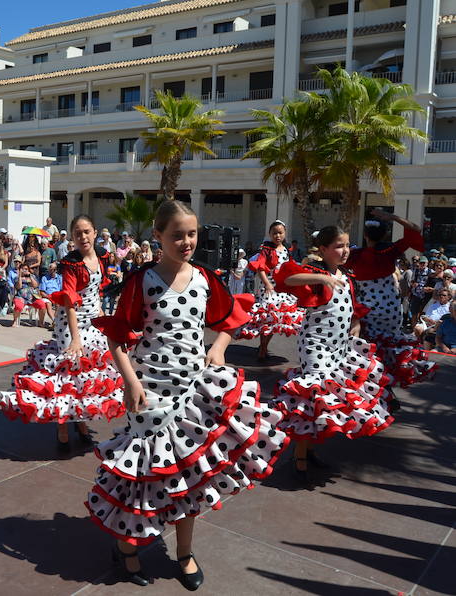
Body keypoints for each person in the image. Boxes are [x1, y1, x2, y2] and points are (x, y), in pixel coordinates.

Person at [87, 200, 286, 589]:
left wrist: (220, 346)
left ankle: (184, 551)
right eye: (176, 234)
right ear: (158, 236)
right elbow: (117, 337)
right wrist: (130, 382)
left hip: (193, 389)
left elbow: (231, 318)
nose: (186, 241)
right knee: (145, 473)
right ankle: (125, 546)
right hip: (149, 392)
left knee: (191, 472)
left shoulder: (205, 279)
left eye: (191, 233)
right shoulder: (142, 280)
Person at [272, 225, 395, 480]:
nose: (345, 250)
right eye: (339, 246)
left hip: (338, 347)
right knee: (313, 398)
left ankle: (309, 448)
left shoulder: (347, 277)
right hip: (315, 346)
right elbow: (285, 279)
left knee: (326, 401)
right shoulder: (316, 272)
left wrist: (356, 324)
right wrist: (323, 278)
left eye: (347, 245)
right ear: (324, 249)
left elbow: (352, 308)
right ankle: (300, 456)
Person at [0, 214, 126, 449]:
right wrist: (76, 338)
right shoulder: (71, 263)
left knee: (86, 377)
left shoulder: (101, 256)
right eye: (78, 233)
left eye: (86, 231)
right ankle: (62, 424)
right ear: (73, 237)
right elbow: (69, 302)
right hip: (71, 323)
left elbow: (96, 291)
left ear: (95, 233)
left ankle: (79, 421)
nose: (83, 237)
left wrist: (101, 317)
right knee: (67, 372)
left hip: (92, 321)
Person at [347, 209, 436, 386]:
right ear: (385, 234)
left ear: (365, 235)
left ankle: (371, 386)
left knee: (366, 347)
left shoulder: (356, 255)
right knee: (389, 345)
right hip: (391, 305)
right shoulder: (390, 250)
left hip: (368, 306)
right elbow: (416, 229)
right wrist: (393, 217)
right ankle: (387, 384)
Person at [236, 220, 304, 360]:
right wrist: (267, 284)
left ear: (285, 234)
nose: (277, 235)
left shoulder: (286, 250)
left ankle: (264, 347)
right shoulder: (266, 250)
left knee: (275, 320)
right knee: (267, 318)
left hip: (282, 287)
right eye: (274, 233)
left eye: (280, 233)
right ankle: (263, 348)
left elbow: (289, 268)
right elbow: (260, 267)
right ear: (270, 234)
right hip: (269, 287)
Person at [12, 262, 46, 327]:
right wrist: (20, 276)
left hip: (33, 297)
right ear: (20, 270)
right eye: (23, 269)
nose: (25, 270)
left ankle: (41, 322)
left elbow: (35, 285)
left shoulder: (32, 276)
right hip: (21, 297)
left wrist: (30, 276)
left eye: (26, 269)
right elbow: (19, 286)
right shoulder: (16, 277)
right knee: (18, 306)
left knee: (42, 305)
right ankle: (14, 321)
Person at [38, 262, 62, 328]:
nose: (52, 271)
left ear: (56, 270)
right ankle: (54, 321)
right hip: (47, 295)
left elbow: (62, 289)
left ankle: (55, 321)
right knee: (48, 304)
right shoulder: (44, 278)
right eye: (50, 269)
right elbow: (42, 292)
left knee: (58, 304)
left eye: (54, 269)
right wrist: (48, 297)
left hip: (57, 295)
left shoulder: (59, 278)